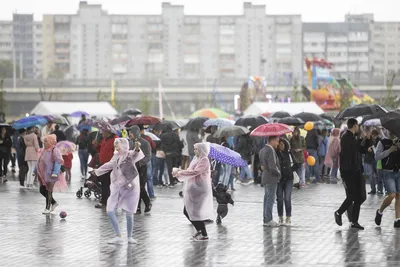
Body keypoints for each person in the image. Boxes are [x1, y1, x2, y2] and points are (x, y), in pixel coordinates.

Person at [94, 138, 144, 244]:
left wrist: (137, 147)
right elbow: (110, 164)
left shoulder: (129, 155)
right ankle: (118, 236)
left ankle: (129, 237)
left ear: (124, 145)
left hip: (130, 188)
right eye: (115, 145)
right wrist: (97, 171)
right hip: (117, 187)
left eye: (118, 144)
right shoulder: (116, 156)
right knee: (110, 210)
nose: (116, 146)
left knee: (129, 213)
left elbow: (135, 154)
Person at [172, 142, 214, 241]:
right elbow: (190, 170)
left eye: (196, 149)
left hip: (200, 189)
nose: (195, 151)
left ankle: (204, 234)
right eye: (194, 149)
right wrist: (179, 171)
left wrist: (181, 172)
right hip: (193, 188)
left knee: (194, 212)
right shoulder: (196, 159)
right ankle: (200, 231)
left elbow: (195, 172)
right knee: (189, 211)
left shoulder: (204, 160)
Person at [334, 118, 366, 230]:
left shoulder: (354, 138)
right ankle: (339, 213)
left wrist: (365, 140)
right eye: (358, 126)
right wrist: (359, 141)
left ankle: (354, 220)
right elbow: (350, 152)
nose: (359, 128)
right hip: (348, 172)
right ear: (355, 125)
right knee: (352, 195)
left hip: (357, 171)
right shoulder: (346, 137)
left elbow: (360, 150)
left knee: (361, 197)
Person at [374, 132, 400, 228]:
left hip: (398, 171)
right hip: (388, 172)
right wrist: (389, 150)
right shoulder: (383, 142)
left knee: (398, 195)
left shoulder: (398, 141)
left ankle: (397, 219)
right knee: (392, 194)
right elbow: (377, 157)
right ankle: (380, 212)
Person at [35, 134, 66, 214]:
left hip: (51, 173)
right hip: (43, 174)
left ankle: (47, 207)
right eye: (44, 141)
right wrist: (35, 170)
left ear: (50, 142)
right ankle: (54, 203)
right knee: (42, 190)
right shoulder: (43, 150)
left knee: (48, 190)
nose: (44, 143)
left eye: (46, 141)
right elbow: (39, 161)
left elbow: (58, 161)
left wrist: (55, 172)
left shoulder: (54, 150)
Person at [127, 125, 152, 213]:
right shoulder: (130, 143)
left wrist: (140, 163)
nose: (130, 134)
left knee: (140, 187)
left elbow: (148, 156)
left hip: (142, 168)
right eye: (129, 133)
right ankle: (137, 207)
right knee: (134, 187)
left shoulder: (145, 143)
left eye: (131, 133)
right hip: (132, 168)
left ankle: (147, 202)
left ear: (136, 133)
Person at [92, 130, 118, 209]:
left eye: (103, 131)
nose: (102, 133)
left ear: (108, 131)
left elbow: (117, 153)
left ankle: (109, 201)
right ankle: (104, 201)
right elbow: (100, 150)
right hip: (103, 166)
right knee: (104, 184)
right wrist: (96, 145)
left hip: (111, 166)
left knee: (109, 185)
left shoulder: (115, 139)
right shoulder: (105, 139)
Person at [259, 136, 281, 227]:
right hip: (271, 178)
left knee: (266, 198)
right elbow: (272, 166)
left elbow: (263, 165)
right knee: (270, 199)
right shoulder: (270, 150)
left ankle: (265, 218)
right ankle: (269, 219)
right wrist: (278, 173)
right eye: (277, 141)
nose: (278, 143)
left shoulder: (262, 150)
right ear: (272, 141)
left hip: (265, 177)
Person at [276, 138, 298, 226]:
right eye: (279, 144)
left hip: (289, 178)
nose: (281, 146)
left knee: (287, 199)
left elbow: (297, 164)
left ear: (285, 145)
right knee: (280, 199)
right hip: (279, 179)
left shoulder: (289, 154)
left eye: (282, 144)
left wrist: (290, 170)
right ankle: (280, 217)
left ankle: (288, 217)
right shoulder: (275, 153)